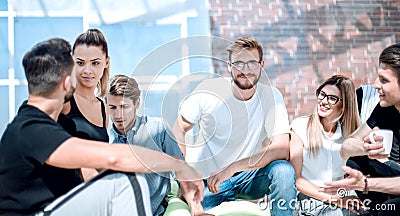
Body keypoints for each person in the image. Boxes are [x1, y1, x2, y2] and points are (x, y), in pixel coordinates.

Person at [0, 38, 204, 216]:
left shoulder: (59, 125)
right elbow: (114, 157)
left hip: (56, 208)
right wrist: (180, 165)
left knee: (117, 181)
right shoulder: (31, 128)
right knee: (127, 182)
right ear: (66, 82)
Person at [173, 37, 296, 216]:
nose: (245, 70)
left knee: (283, 171)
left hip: (250, 177)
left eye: (252, 63)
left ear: (261, 65)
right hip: (212, 182)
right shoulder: (208, 92)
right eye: (239, 63)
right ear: (229, 66)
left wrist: (233, 167)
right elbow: (177, 130)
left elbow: (282, 148)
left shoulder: (271, 96)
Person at [321, 43, 400, 216]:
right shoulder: (385, 108)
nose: (376, 84)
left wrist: (365, 184)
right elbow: (346, 147)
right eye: (378, 77)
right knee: (355, 161)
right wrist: (365, 147)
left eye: (384, 80)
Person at [106, 74, 184, 216]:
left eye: (124, 107)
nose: (117, 114)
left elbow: (181, 170)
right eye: (112, 107)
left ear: (137, 103)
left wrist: (195, 206)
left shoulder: (159, 129)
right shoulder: (104, 139)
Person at [290, 75, 361, 215]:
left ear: (344, 105)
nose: (323, 101)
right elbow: (296, 179)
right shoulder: (300, 126)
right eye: (322, 95)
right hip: (310, 200)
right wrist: (334, 199)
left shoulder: (349, 136)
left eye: (332, 98)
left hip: (341, 199)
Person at [62, 28, 110, 180]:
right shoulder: (64, 102)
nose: (87, 70)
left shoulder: (104, 109)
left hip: (96, 190)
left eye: (95, 63)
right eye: (80, 63)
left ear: (106, 62)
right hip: (65, 192)